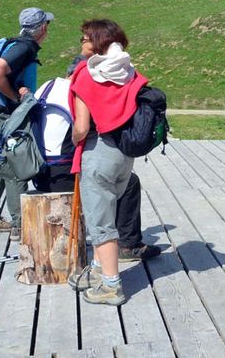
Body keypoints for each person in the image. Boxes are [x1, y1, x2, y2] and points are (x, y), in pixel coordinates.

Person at [32, 50, 160, 262]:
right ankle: (128, 245)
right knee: (128, 182)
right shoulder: (78, 91)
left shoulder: (47, 87)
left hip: (40, 169)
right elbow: (81, 130)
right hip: (63, 173)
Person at [67, 19, 145, 306]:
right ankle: (99, 271)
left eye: (84, 38)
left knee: (100, 222)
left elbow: (82, 127)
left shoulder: (86, 75)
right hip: (124, 153)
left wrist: (75, 140)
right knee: (109, 208)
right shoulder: (129, 72)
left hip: (98, 150)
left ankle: (112, 286)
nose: (81, 43)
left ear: (97, 41)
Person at [0, 7, 53, 241]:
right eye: (47, 25)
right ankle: (21, 225)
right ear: (42, 28)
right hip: (2, 112)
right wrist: (14, 98)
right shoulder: (23, 47)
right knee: (14, 160)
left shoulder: (16, 44)